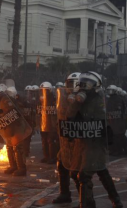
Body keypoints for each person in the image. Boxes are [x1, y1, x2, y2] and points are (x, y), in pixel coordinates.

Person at [69, 72, 123, 208]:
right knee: (80, 172)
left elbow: (99, 119)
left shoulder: (98, 100)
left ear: (95, 86)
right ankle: (109, 200)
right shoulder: (80, 100)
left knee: (85, 174)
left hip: (95, 142)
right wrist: (73, 102)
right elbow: (69, 116)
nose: (83, 87)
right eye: (82, 83)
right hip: (81, 142)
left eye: (87, 84)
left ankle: (89, 204)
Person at [53, 72, 80, 204]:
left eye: (74, 84)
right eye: (69, 84)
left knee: (77, 171)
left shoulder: (83, 99)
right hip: (65, 139)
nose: (70, 87)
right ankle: (64, 194)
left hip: (78, 140)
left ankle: (84, 199)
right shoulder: (64, 97)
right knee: (62, 164)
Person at [0, 86, 29, 176]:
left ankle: (21, 168)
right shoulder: (1, 100)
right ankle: (13, 166)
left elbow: (11, 113)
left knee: (18, 148)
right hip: (10, 128)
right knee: (10, 147)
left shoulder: (5, 100)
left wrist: (1, 119)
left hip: (16, 127)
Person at [106, 85, 127, 156]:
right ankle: (115, 150)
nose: (110, 92)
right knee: (113, 136)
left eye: (111, 90)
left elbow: (125, 110)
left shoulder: (120, 99)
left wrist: (124, 120)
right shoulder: (108, 99)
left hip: (119, 121)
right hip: (112, 121)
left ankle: (123, 150)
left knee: (120, 136)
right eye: (109, 90)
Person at [39, 82, 58, 164]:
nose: (44, 92)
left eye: (45, 90)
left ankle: (53, 157)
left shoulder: (54, 99)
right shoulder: (40, 99)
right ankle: (46, 156)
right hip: (44, 123)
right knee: (44, 140)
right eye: (42, 90)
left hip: (52, 123)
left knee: (51, 141)